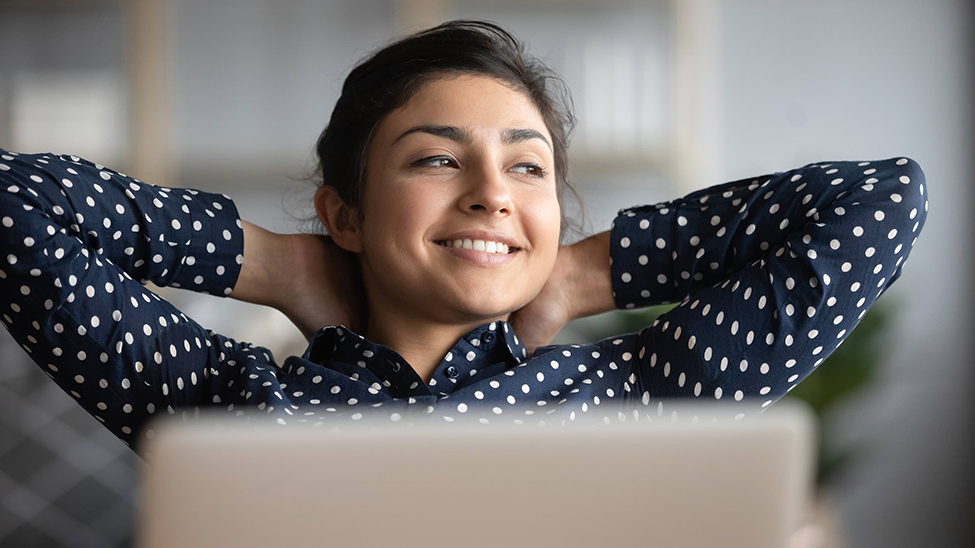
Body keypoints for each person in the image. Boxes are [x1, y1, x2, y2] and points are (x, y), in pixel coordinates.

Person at [0, 20, 928, 457]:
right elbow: (12, 203)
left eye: (527, 169)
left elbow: (879, 201)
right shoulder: (222, 402)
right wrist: (277, 264)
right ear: (345, 215)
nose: (492, 193)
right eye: (438, 161)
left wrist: (575, 276)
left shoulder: (638, 392)